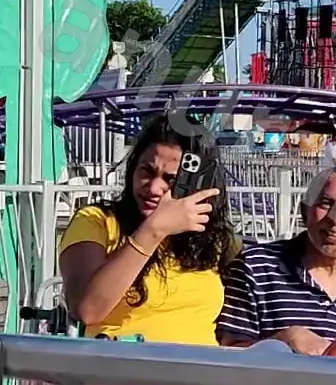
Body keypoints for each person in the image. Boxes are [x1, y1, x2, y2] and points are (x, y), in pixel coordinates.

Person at [58, 119, 238, 344]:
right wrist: (153, 231)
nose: (154, 188)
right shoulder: (97, 222)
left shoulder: (213, 240)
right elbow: (87, 309)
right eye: (146, 171)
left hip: (200, 371)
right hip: (122, 369)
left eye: (170, 180)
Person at [218, 163, 336, 355]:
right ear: (304, 212)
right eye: (325, 204)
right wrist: (283, 341)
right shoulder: (256, 267)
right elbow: (226, 356)